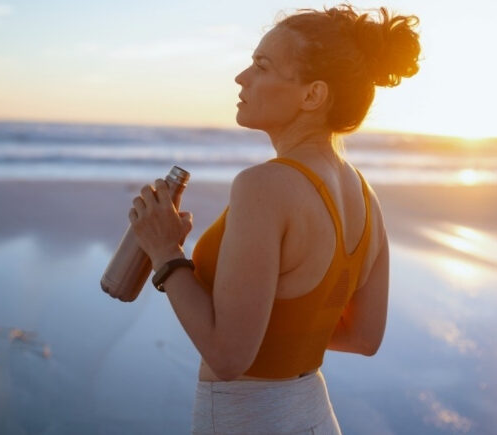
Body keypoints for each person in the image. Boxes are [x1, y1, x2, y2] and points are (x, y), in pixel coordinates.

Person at [128, 4, 420, 433]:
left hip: (247, 417)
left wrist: (165, 253)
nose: (241, 77)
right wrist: (266, 322)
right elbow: (365, 338)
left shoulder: (263, 186)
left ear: (312, 95)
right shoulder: (365, 195)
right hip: (315, 415)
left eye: (261, 66)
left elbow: (228, 358)